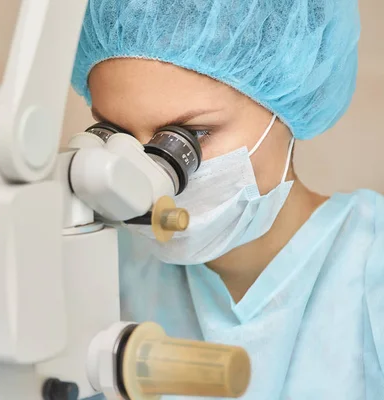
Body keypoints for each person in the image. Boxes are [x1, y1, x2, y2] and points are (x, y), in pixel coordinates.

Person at [71, 1, 384, 399]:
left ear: (283, 102)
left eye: (189, 137)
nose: (145, 180)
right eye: (115, 134)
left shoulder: (371, 265)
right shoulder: (100, 268)